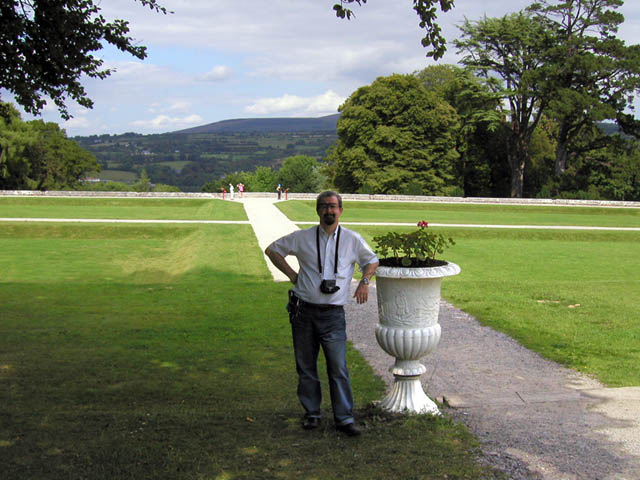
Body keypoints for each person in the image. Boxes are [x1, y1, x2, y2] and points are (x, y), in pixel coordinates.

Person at [265, 191, 379, 437]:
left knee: (338, 367)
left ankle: (345, 418)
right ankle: (312, 414)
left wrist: (364, 281)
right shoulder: (303, 237)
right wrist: (292, 275)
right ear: (318, 210)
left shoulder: (352, 240)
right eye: (324, 206)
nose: (329, 210)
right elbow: (272, 250)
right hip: (303, 312)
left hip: (333, 316)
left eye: (333, 206)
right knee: (306, 366)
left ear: (341, 210)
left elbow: (372, 260)